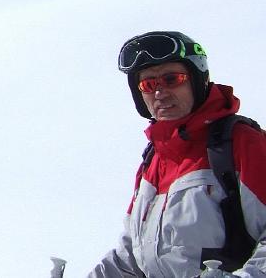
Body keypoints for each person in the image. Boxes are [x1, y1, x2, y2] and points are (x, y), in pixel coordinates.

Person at [89, 31, 266, 278]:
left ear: (198, 80)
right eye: (148, 84)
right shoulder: (154, 160)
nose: (159, 93)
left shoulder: (240, 143)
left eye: (172, 79)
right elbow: (131, 258)